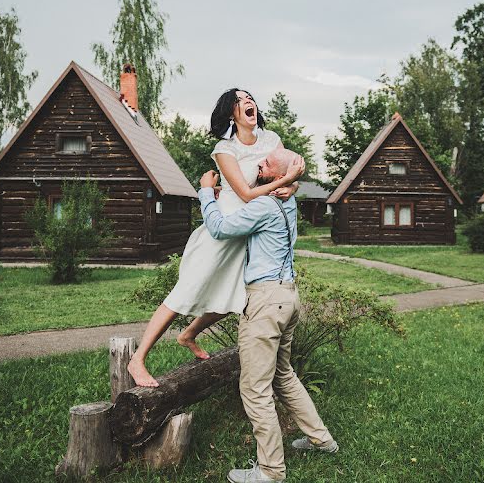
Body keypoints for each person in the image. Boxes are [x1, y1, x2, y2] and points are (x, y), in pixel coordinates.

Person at [127, 89, 304, 387]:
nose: (248, 101)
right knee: (186, 291)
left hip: (253, 231)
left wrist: (292, 186)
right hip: (224, 227)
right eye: (239, 100)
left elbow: (286, 173)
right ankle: (138, 359)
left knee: (235, 298)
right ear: (230, 113)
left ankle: (188, 334)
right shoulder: (225, 150)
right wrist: (286, 181)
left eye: (250, 97)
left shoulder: (272, 139)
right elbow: (247, 193)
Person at [198, 148, 338, 483]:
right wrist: (292, 182)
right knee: (283, 374)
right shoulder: (286, 200)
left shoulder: (264, 203)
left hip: (265, 302)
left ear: (279, 176)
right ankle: (321, 440)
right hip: (288, 295)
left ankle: (271, 471)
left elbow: (218, 228)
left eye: (267, 163)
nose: (259, 163)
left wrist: (205, 191)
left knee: (255, 387)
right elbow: (282, 188)